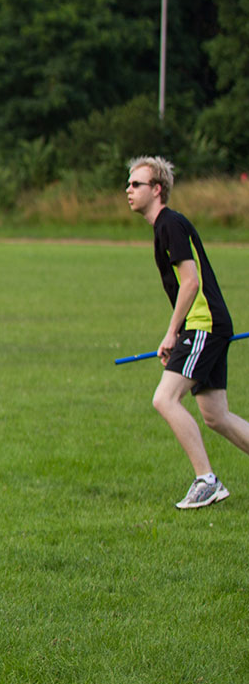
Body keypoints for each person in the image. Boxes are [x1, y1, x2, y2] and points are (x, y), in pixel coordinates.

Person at [126, 155, 249, 509]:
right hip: (206, 325)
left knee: (164, 398)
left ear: (157, 189)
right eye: (128, 184)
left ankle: (206, 480)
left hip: (204, 324)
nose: (128, 190)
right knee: (216, 415)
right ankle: (207, 480)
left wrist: (172, 332)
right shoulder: (163, 227)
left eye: (136, 184)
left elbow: (191, 282)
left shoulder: (170, 224)